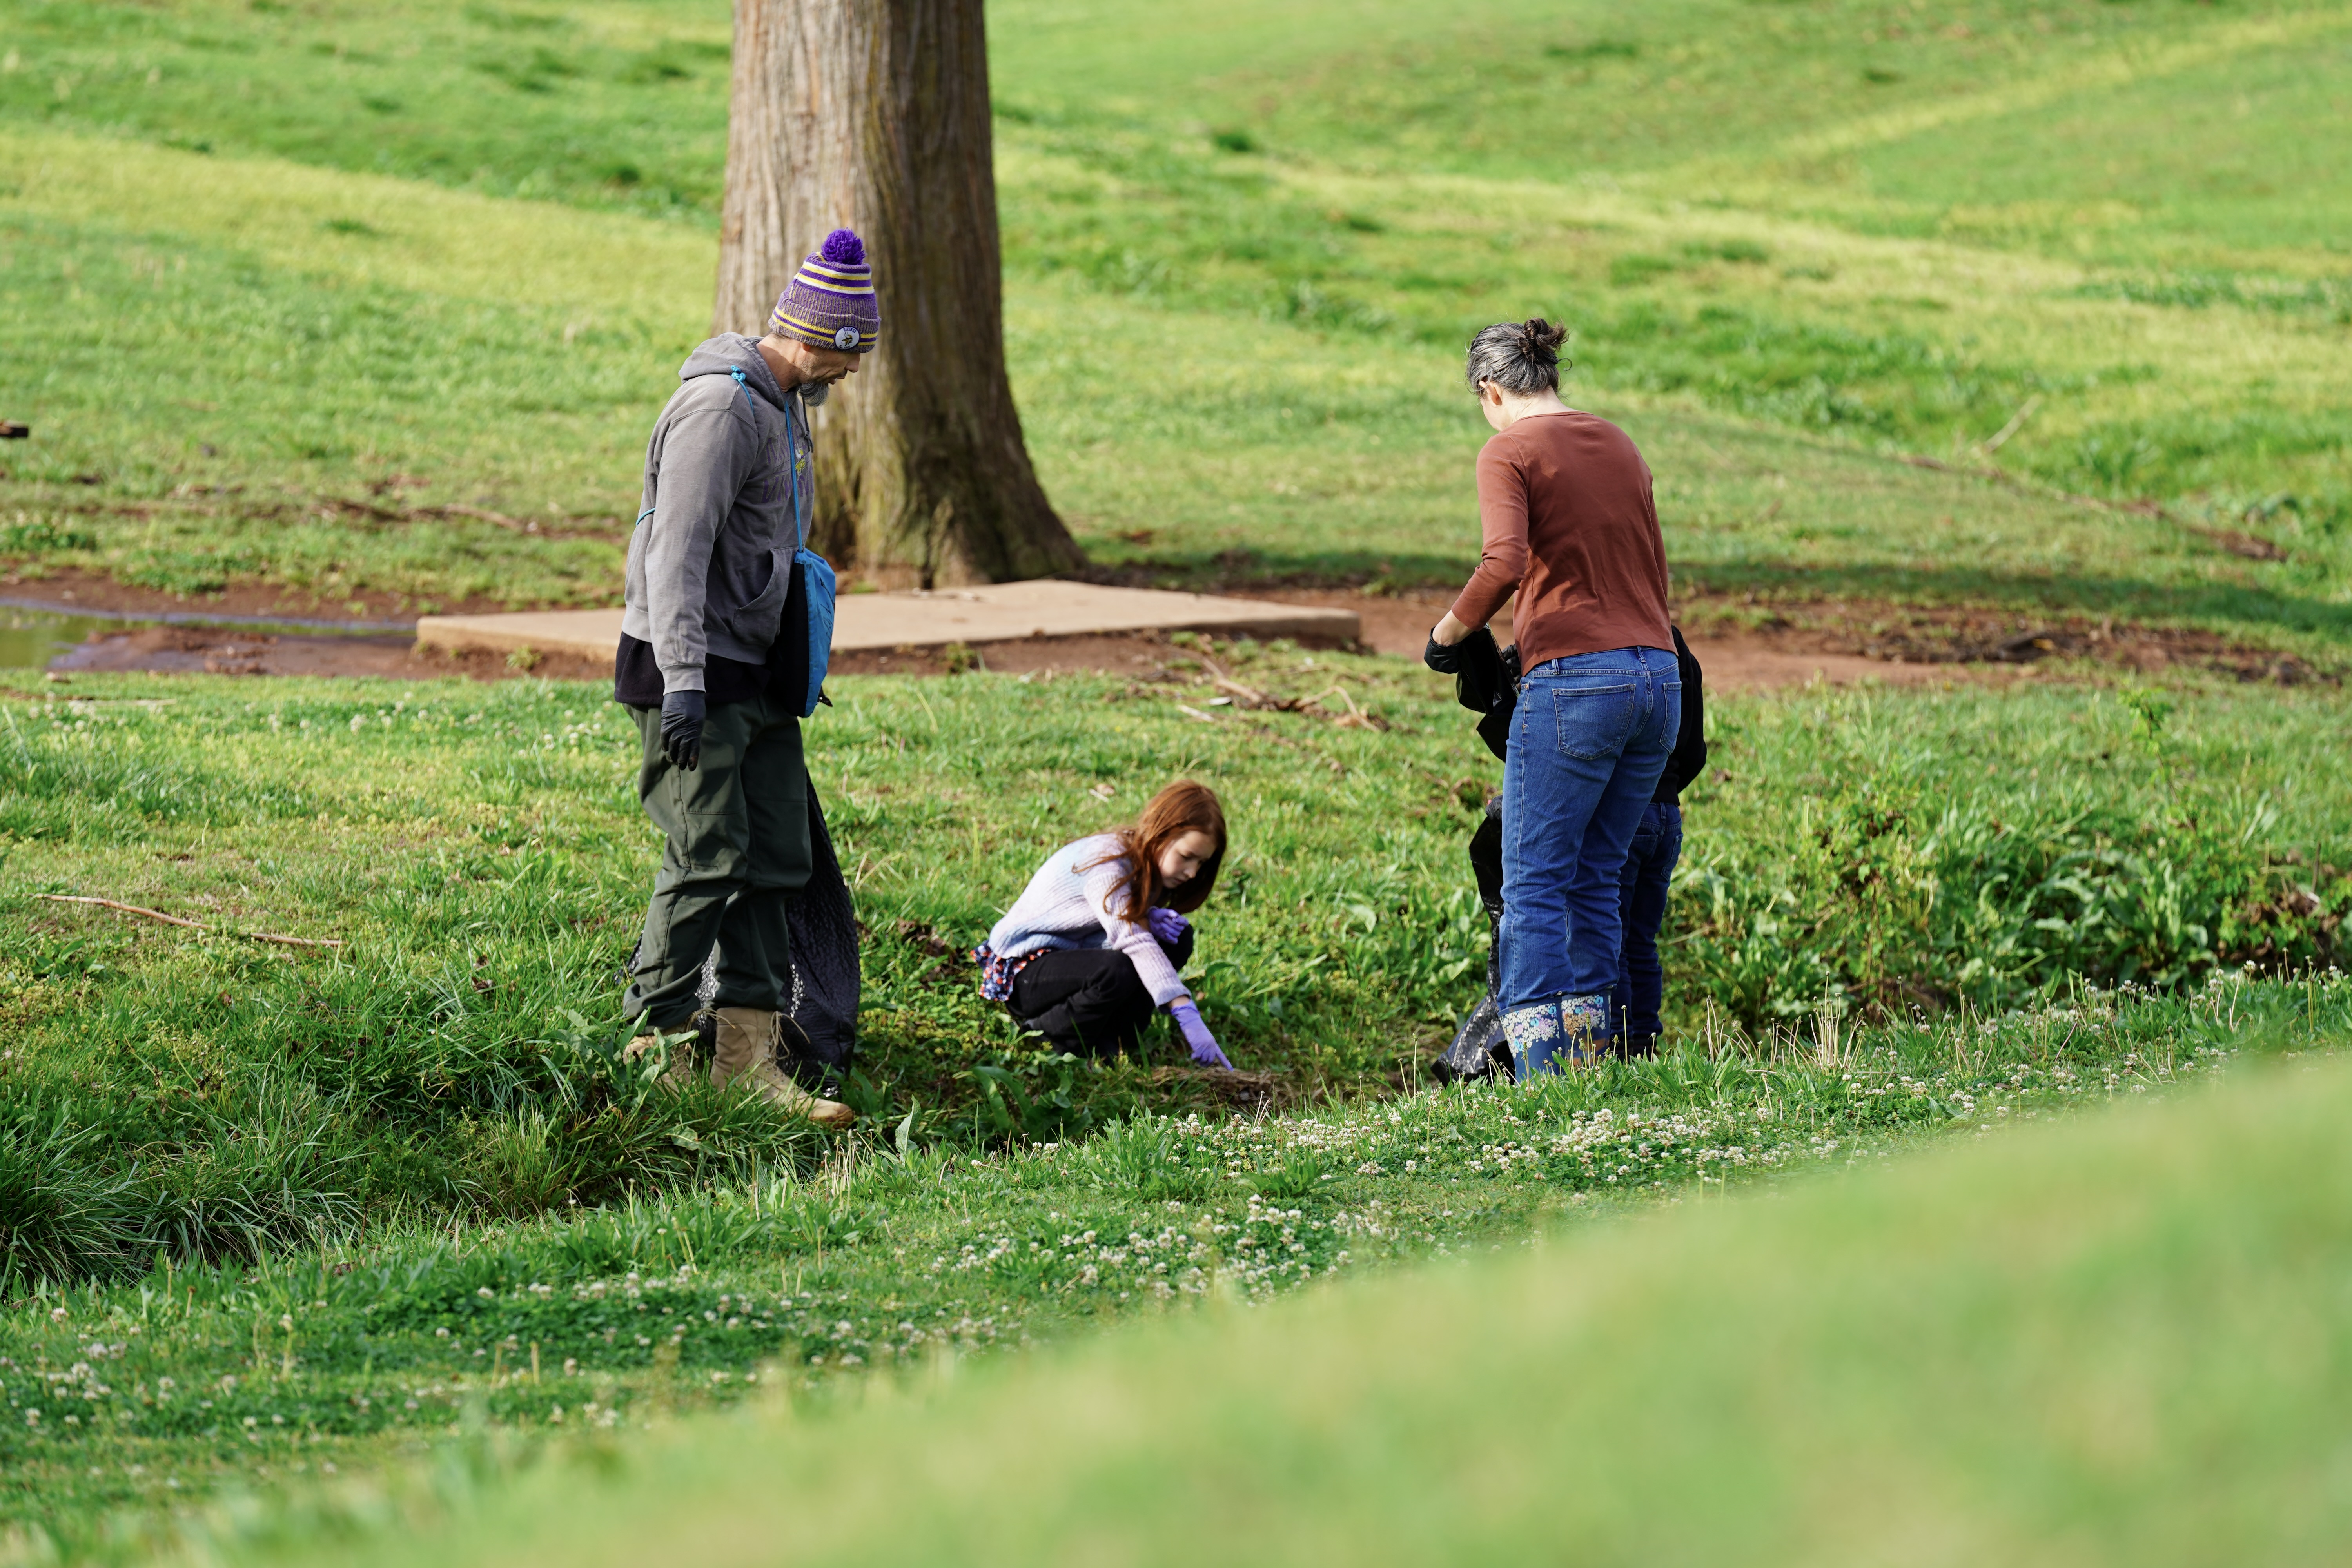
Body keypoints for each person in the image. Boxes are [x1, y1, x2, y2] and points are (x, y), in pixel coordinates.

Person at [614, 229, 885, 1129]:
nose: (854, 371)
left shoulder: (785, 406)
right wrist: (684, 684)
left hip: (760, 674)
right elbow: (675, 552)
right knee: (707, 857)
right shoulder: (722, 409)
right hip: (694, 669)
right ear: (823, 338)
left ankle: (747, 1062)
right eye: (852, 351)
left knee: (775, 858)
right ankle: (651, 1052)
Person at [1428, 318, 1680, 1076]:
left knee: (1534, 885)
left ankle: (1542, 1080)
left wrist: (1449, 632)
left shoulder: (1509, 450)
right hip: (1658, 680)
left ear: (1491, 390)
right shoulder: (1620, 442)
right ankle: (1588, 1069)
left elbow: (1504, 561)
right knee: (1596, 878)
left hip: (1578, 683)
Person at [973, 781, 1235, 1068]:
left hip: (1070, 956)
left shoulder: (1150, 865)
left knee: (1177, 938)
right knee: (1116, 969)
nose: (1193, 873)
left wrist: (1148, 917)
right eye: (1187, 857)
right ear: (1160, 833)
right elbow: (1133, 940)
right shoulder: (1106, 864)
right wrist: (1184, 1009)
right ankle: (1050, 1032)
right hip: (1024, 971)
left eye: (1201, 863)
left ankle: (1120, 1038)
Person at [1610, 626, 1707, 1056]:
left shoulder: (1612, 640)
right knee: (1641, 942)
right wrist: (1663, 790)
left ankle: (1616, 1050)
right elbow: (1696, 753)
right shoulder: (1675, 645)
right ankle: (1644, 1048)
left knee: (1610, 937)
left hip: (1625, 812)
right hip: (1668, 816)